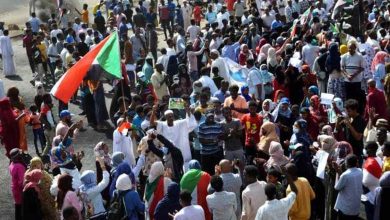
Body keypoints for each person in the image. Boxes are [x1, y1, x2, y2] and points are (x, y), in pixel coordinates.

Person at [151, 104, 197, 169]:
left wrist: (188, 111)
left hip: (182, 151)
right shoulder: (163, 125)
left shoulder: (179, 123)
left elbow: (190, 122)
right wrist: (153, 112)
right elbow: (152, 123)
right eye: (169, 116)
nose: (171, 118)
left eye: (172, 116)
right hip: (170, 154)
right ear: (166, 117)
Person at [333, 154, 363, 219]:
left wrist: (338, 172)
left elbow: (337, 187)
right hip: (355, 207)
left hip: (345, 208)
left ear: (347, 164)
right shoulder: (360, 171)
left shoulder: (345, 175)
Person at [198, 111, 224, 175]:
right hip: (205, 153)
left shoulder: (218, 124)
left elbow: (221, 136)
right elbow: (201, 140)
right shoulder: (201, 126)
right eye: (209, 116)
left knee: (217, 172)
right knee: (206, 173)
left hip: (216, 152)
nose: (211, 118)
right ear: (205, 117)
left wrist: (221, 137)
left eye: (212, 116)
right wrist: (213, 141)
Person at [362, 142, 382, 220]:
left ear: (371, 150)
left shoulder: (370, 163)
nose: (366, 151)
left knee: (370, 214)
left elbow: (365, 181)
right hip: (376, 192)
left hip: (370, 195)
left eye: (367, 149)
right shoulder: (379, 159)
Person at [9, 148, 26, 220]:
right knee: (21, 208)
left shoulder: (12, 164)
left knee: (17, 206)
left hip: (14, 188)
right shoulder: (19, 166)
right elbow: (21, 181)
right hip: (19, 190)